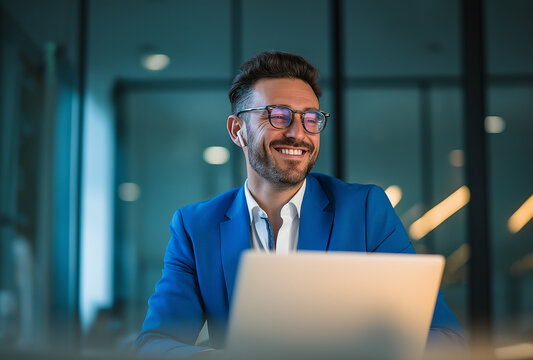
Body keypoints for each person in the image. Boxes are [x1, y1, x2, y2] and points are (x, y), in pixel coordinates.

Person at [134, 51, 466, 357]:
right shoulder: (196, 227)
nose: (298, 133)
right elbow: (153, 344)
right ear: (238, 130)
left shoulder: (365, 210)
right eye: (278, 116)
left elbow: (446, 337)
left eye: (311, 118)